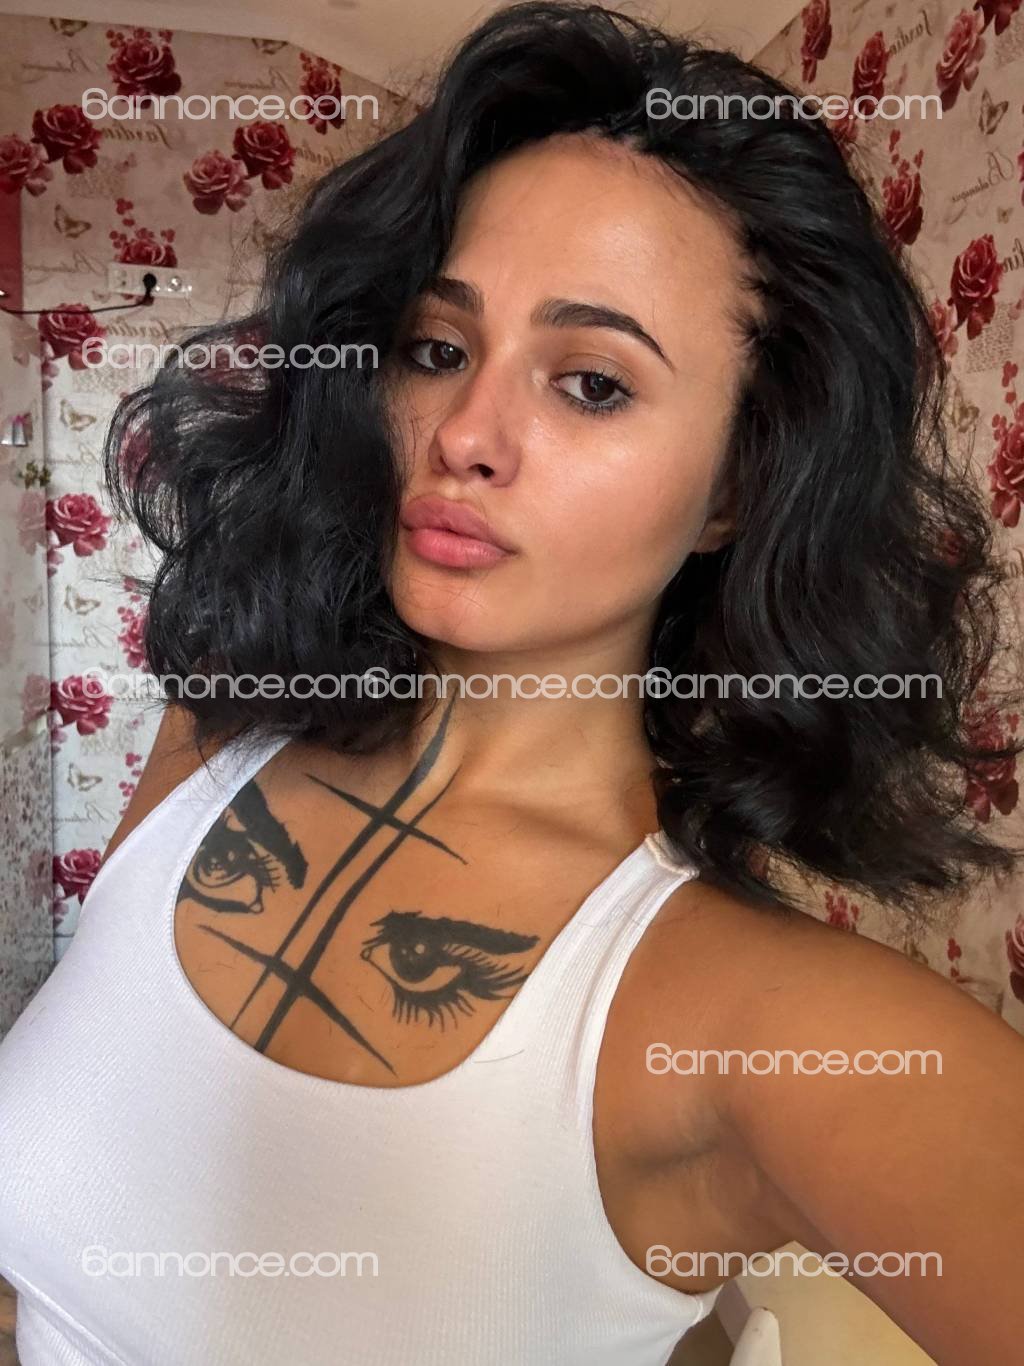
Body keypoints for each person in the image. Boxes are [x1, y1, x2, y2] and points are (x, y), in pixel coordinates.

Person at [2, 3, 1023, 1363]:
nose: (467, 435)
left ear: (737, 487)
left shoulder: (767, 1024)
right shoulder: (218, 732)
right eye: (437, 349)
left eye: (591, 383)